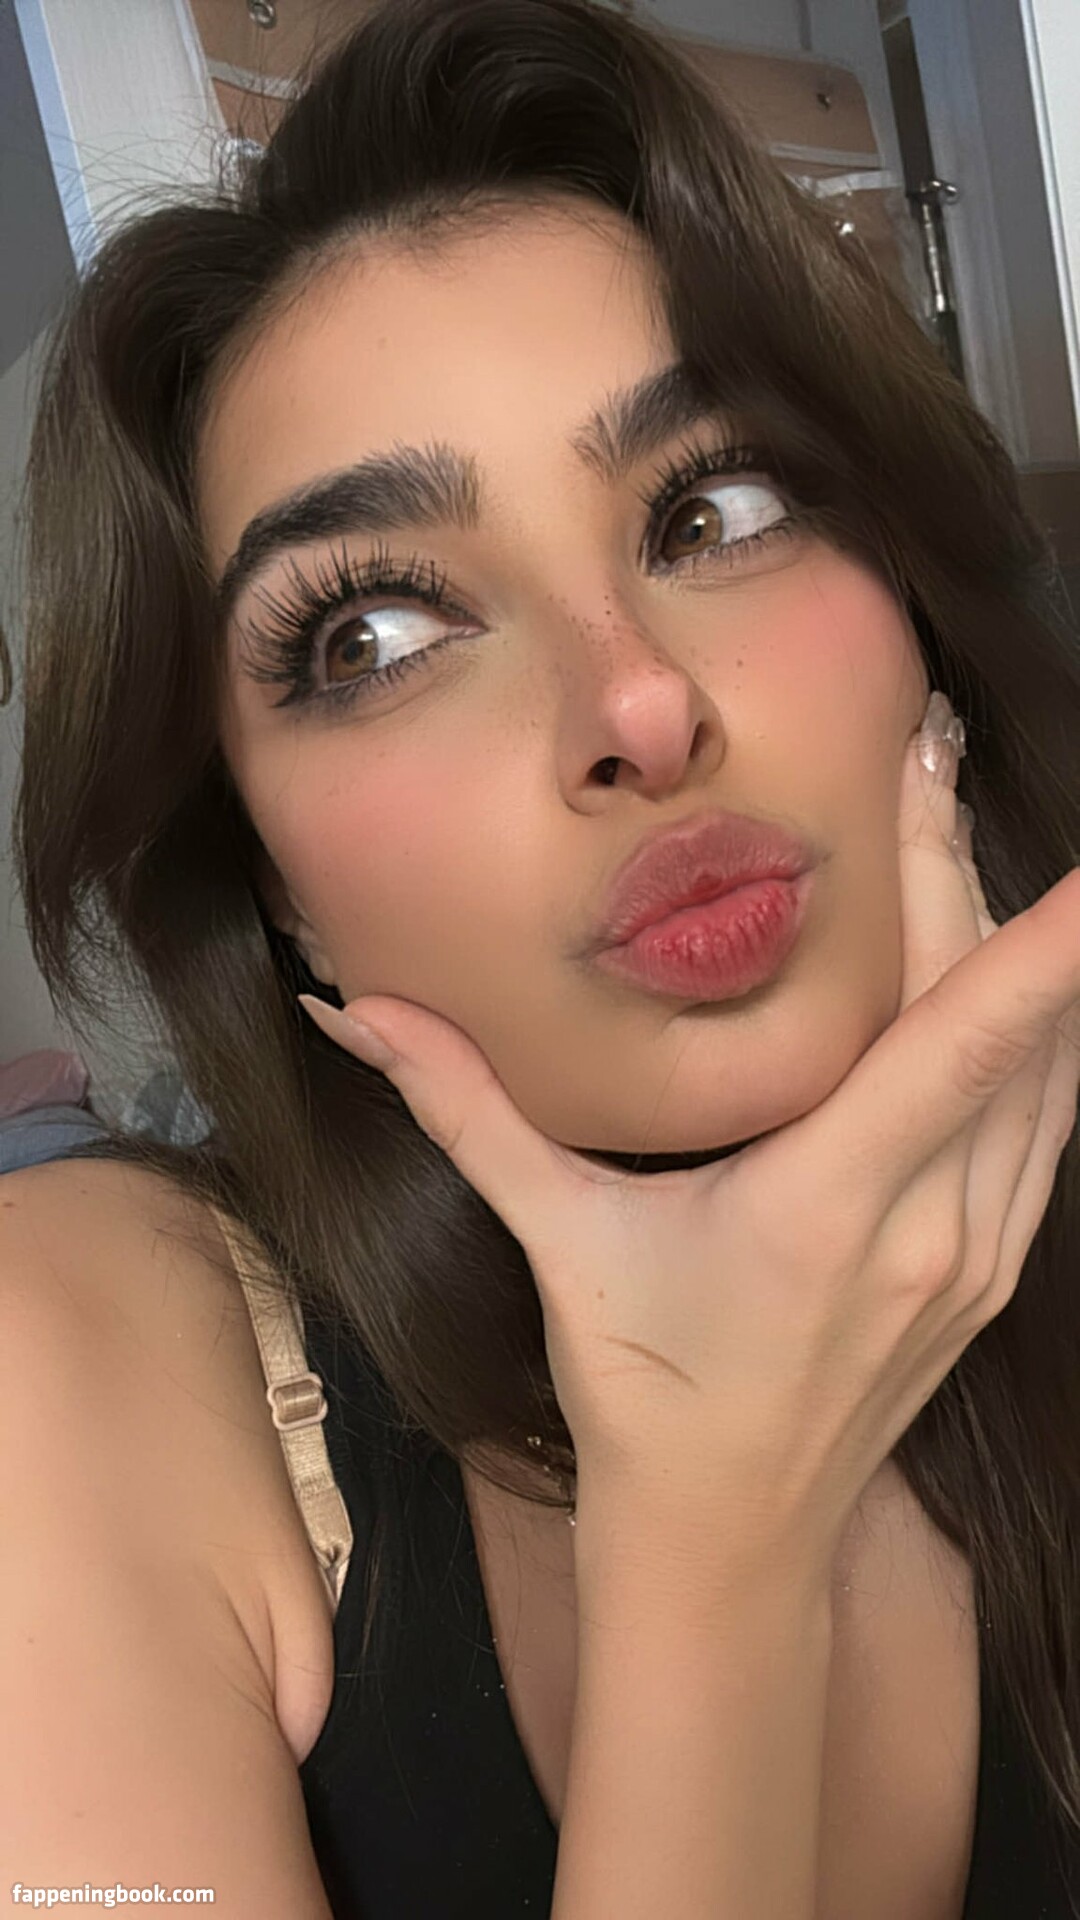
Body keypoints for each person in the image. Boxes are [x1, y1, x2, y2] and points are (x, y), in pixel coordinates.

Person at [4, 0, 1080, 1913]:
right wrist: (718, 1519)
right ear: (270, 881)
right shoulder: (73, 1359)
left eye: (717, 506)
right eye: (374, 637)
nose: (641, 708)